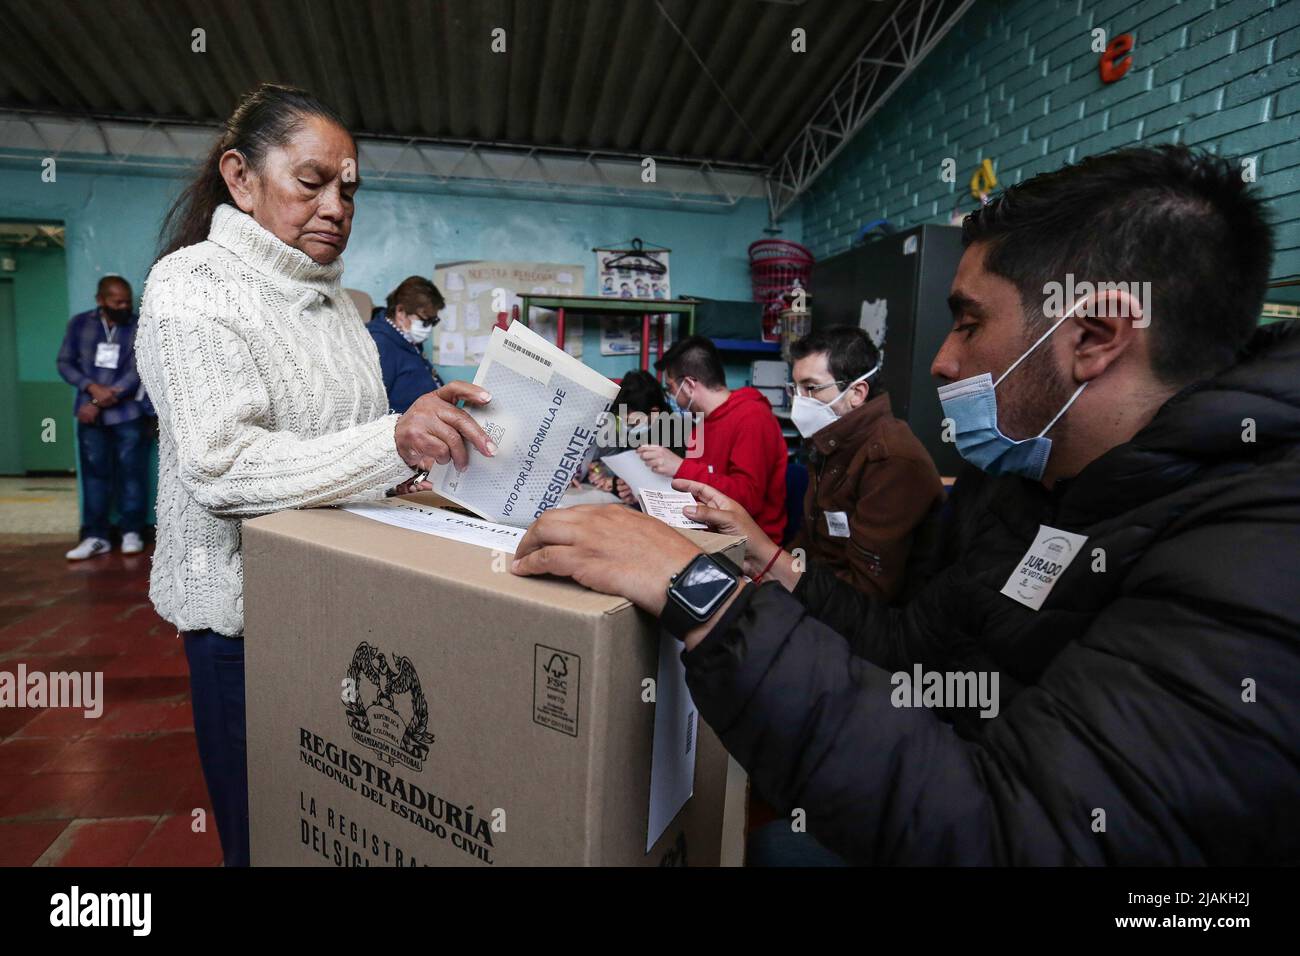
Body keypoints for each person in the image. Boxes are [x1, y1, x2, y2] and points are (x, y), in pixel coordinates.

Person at [510, 145, 1300, 865]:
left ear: (1092, 336)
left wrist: (704, 596)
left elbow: (1012, 837)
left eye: (970, 320)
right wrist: (766, 565)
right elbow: (906, 644)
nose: (943, 358)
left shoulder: (1257, 553)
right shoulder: (1023, 489)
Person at [136, 83, 495, 867]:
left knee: (328, 831)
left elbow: (351, 458)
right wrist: (392, 444)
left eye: (351, 189)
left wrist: (428, 460)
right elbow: (222, 469)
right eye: (312, 182)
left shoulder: (340, 309)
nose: (337, 205)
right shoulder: (192, 287)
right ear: (240, 177)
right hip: (245, 621)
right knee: (265, 838)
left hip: (339, 604)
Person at [787, 326, 944, 601]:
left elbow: (867, 592)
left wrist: (787, 583)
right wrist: (770, 571)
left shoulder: (891, 460)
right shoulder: (830, 442)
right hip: (822, 594)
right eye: (796, 389)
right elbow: (809, 541)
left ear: (857, 393)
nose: (800, 402)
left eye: (810, 388)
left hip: (867, 619)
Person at [638, 335, 787, 542]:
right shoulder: (702, 424)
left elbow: (748, 500)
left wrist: (680, 467)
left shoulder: (753, 417)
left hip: (746, 545)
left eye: (671, 387)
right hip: (706, 532)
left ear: (689, 385)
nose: (670, 395)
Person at [57, 275, 151, 560]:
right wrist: (91, 389)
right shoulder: (80, 324)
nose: (124, 306)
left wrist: (102, 398)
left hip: (128, 413)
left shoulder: (138, 326)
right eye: (117, 301)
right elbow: (64, 362)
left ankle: (131, 531)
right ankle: (96, 537)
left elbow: (140, 369)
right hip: (90, 417)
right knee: (94, 476)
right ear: (100, 300)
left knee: (132, 474)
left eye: (126, 301)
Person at [367, 276, 446, 413]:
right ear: (401, 311)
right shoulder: (379, 344)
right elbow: (373, 410)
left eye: (434, 321)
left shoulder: (407, 338)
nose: (429, 328)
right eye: (425, 321)